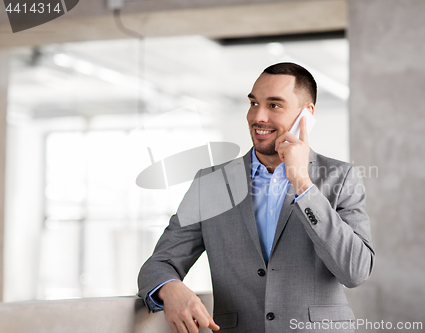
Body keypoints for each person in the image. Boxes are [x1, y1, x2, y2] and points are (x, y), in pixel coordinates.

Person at [138, 62, 375, 333]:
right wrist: (171, 287)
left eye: (274, 105)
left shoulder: (340, 177)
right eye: (253, 103)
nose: (258, 116)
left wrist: (303, 184)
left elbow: (355, 271)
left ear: (305, 115)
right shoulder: (211, 185)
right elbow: (158, 264)